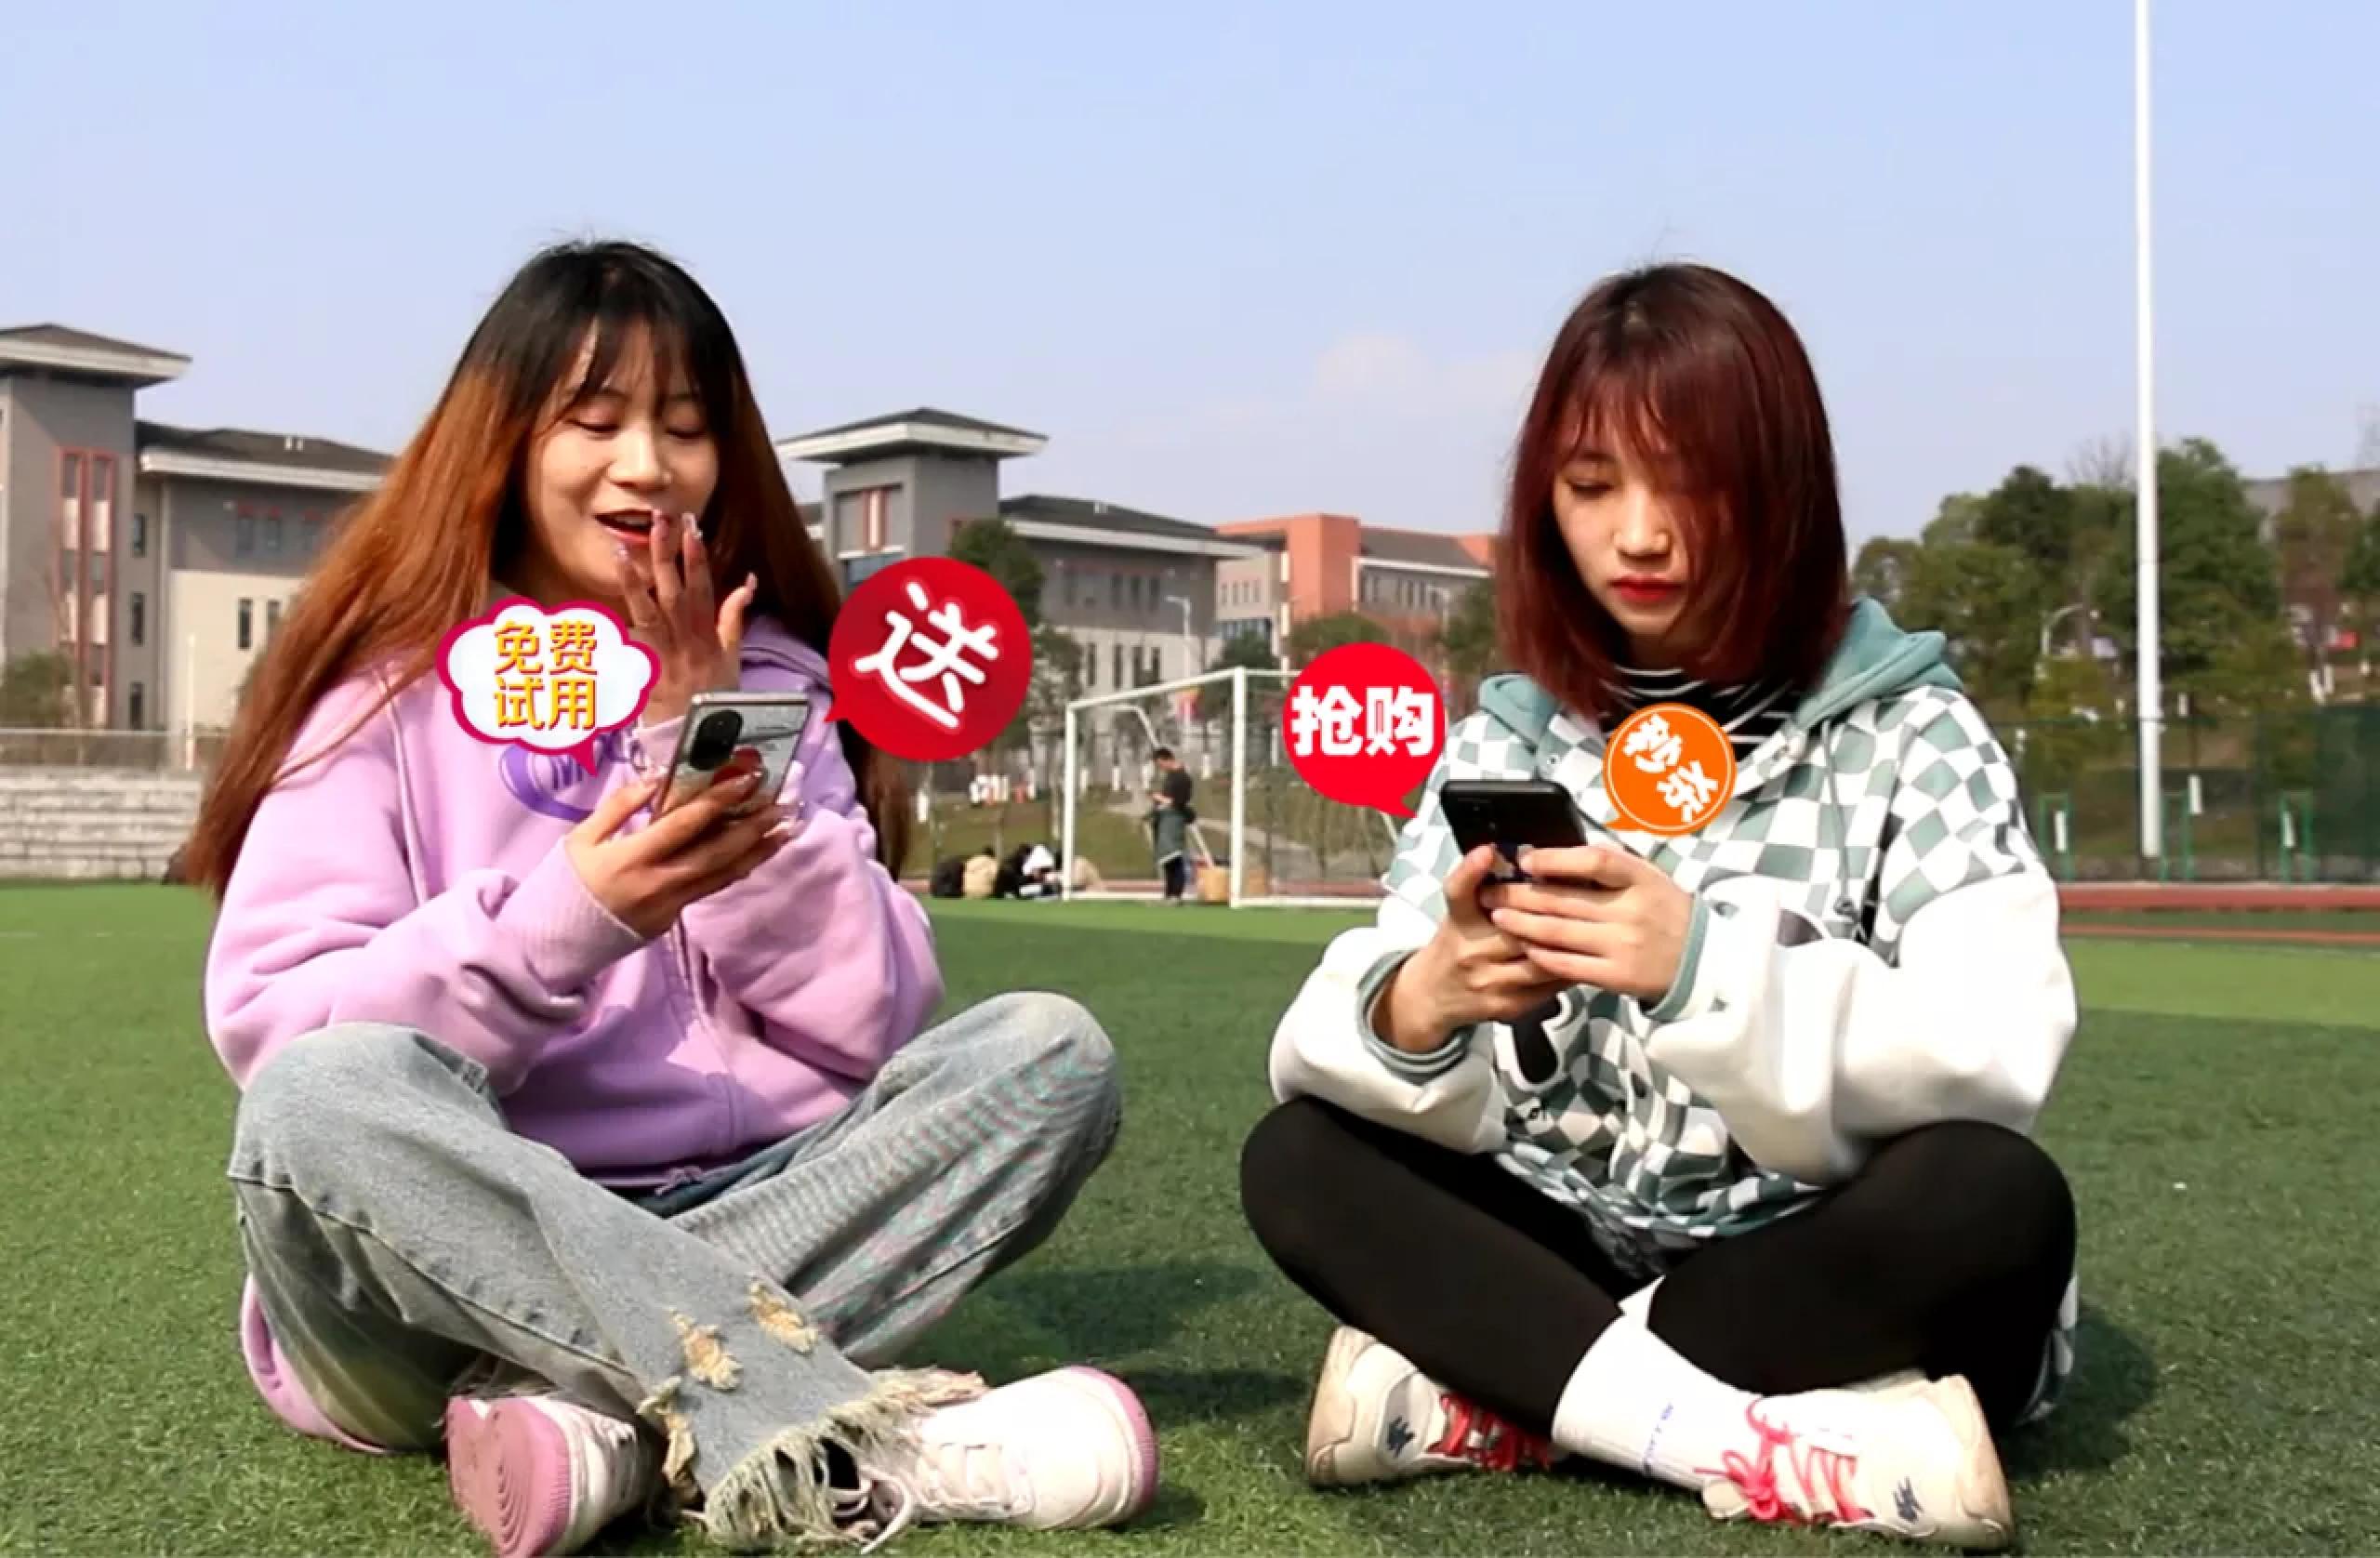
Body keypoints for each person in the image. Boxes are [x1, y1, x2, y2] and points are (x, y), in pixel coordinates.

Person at [185, 240, 1157, 1557]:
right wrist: (570, 917)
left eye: (685, 428)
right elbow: (275, 1026)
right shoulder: (390, 689)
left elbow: (875, 1022)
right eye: (594, 423)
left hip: (748, 1202)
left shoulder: (778, 682)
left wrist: (717, 754)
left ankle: (587, 1415)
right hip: (439, 1273)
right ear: (504, 440)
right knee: (316, 1097)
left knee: (1052, 1056)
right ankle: (836, 1428)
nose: (645, 465)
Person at [1240, 263, 2078, 1551]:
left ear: (1783, 493)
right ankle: (1765, 1439)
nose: (1637, 535)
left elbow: (1997, 1049)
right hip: (1566, 1234)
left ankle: (1511, 1392)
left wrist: (1705, 969)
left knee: (1994, 1199)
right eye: (1591, 487)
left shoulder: (1914, 733)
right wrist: (1424, 1000)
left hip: (1799, 1251)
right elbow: (1372, 1013)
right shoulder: (1509, 738)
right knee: (1300, 1160)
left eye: (1690, 484)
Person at [1147, 748, 1196, 904]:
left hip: (1174, 821)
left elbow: (1180, 801)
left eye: (1161, 764)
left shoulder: (1182, 778)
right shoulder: (1170, 777)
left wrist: (1161, 798)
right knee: (1167, 859)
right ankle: (1168, 894)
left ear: (1168, 759)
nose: (1160, 768)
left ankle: (1176, 895)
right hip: (1165, 819)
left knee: (1174, 857)